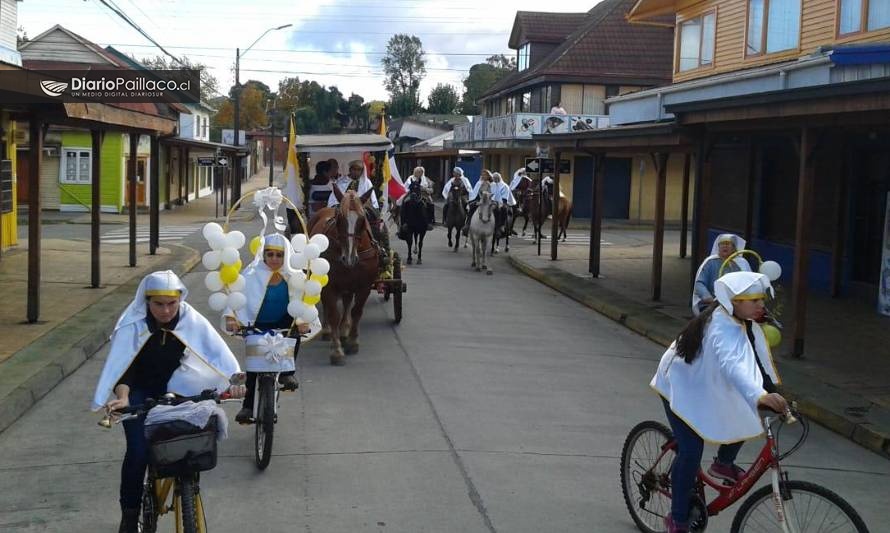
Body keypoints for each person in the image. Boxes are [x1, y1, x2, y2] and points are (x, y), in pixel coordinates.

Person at [92, 271, 244, 533]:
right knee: (138, 453)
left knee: (190, 444)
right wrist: (123, 397)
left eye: (171, 304)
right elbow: (124, 369)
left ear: (180, 300)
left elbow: (214, 358)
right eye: (158, 304)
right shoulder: (133, 325)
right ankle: (129, 515)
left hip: (180, 389)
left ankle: (186, 491)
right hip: (139, 392)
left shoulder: (192, 322)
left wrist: (234, 382)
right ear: (147, 302)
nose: (166, 310)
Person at [651, 271, 787, 533]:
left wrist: (774, 395)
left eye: (761, 299)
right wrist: (758, 395)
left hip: (708, 382)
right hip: (680, 383)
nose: (760, 305)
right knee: (691, 450)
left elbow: (758, 365)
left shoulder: (746, 323)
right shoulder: (721, 327)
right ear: (734, 302)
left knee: (745, 411)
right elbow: (733, 364)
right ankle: (677, 519)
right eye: (753, 300)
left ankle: (723, 463)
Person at [223, 233, 311, 423]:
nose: (274, 259)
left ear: (285, 256)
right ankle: (247, 407)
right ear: (263, 255)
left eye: (279, 255)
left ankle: (287, 374)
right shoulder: (250, 274)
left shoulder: (294, 276)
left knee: (293, 335)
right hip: (257, 324)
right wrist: (232, 318)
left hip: (283, 322)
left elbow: (303, 300)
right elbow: (236, 295)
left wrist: (303, 321)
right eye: (269, 254)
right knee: (254, 369)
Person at [327, 159, 392, 279]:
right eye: (354, 169)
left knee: (380, 228)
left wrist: (364, 208)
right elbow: (333, 200)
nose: (356, 172)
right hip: (343, 211)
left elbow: (373, 201)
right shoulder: (341, 182)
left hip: (362, 211)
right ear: (350, 170)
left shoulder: (367, 183)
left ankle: (381, 252)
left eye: (359, 170)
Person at [693, 233, 751, 315]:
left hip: (736, 304)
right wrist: (707, 297)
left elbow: (748, 284)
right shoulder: (710, 262)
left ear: (734, 248)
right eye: (722, 244)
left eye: (728, 244)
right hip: (712, 303)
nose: (725, 246)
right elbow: (699, 283)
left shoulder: (742, 264)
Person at [398, 166, 435, 231]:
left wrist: (425, 189)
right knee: (404, 202)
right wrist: (415, 186)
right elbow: (407, 185)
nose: (418, 173)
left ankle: (430, 221)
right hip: (411, 193)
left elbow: (431, 189)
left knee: (431, 203)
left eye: (419, 172)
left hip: (423, 195)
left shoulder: (426, 179)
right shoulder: (410, 178)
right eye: (416, 172)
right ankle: (404, 222)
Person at [463, 169, 494, 235]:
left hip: (489, 200)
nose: (483, 176)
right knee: (471, 207)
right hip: (479, 199)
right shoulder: (479, 183)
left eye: (485, 175)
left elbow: (493, 193)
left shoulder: (492, 184)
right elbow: (476, 193)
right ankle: (467, 224)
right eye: (482, 175)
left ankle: (497, 227)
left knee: (496, 209)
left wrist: (487, 196)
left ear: (488, 176)